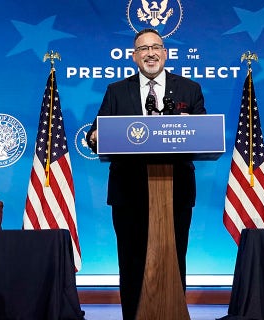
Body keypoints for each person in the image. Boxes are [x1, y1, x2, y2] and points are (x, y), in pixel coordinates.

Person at [86, 28, 206, 320]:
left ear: (165, 53)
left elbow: (205, 131)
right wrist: (95, 137)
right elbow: (95, 133)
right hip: (129, 192)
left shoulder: (190, 89)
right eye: (143, 49)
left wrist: (192, 126)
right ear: (134, 57)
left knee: (174, 257)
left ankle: (172, 313)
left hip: (175, 190)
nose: (151, 53)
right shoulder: (116, 91)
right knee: (131, 261)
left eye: (156, 47)